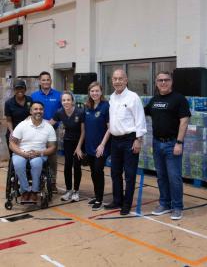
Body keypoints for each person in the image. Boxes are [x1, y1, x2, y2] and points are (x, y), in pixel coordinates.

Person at [145, 71, 191, 220]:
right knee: (161, 177)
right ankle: (164, 204)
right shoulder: (154, 100)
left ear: (171, 82)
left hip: (172, 144)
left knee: (174, 177)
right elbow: (141, 113)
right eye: (160, 80)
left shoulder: (179, 99)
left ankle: (177, 207)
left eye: (166, 80)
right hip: (157, 143)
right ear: (156, 83)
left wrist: (179, 142)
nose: (163, 83)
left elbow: (184, 121)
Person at [105, 69, 147, 216]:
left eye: (120, 78)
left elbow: (140, 120)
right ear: (112, 81)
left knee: (129, 175)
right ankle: (117, 200)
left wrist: (138, 140)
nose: (117, 81)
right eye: (115, 79)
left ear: (126, 80)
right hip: (115, 141)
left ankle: (127, 204)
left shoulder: (133, 97)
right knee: (115, 173)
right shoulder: (111, 97)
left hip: (130, 140)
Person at [9, 101, 57, 203]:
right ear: (31, 111)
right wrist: (23, 153)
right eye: (35, 109)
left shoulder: (48, 127)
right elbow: (12, 144)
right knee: (18, 163)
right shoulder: (22, 125)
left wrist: (39, 153)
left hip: (39, 153)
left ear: (43, 111)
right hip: (22, 152)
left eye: (40, 109)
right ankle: (25, 190)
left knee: (36, 163)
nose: (38, 111)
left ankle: (35, 191)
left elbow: (52, 147)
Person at [50, 91, 85, 202]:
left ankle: (76, 191)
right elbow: (49, 123)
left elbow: (83, 132)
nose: (66, 102)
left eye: (68, 100)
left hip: (79, 142)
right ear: (61, 102)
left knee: (77, 166)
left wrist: (79, 147)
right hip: (67, 142)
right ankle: (68, 190)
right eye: (64, 100)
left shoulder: (80, 112)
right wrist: (32, 121)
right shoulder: (60, 112)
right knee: (67, 166)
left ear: (72, 101)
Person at [31, 71, 61, 193]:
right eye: (43, 80)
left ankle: (52, 183)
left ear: (51, 81)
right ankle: (38, 181)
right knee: (38, 155)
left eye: (48, 79)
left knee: (52, 157)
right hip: (37, 130)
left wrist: (53, 122)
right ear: (40, 81)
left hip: (53, 130)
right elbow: (31, 112)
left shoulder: (58, 95)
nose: (46, 82)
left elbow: (62, 112)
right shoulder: (34, 96)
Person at [84, 82, 110, 211]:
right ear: (89, 92)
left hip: (101, 147)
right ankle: (97, 195)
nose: (94, 93)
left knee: (98, 171)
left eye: (97, 91)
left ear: (101, 92)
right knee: (93, 172)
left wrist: (102, 145)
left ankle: (100, 199)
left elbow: (109, 128)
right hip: (89, 146)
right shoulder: (87, 106)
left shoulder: (106, 106)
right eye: (92, 91)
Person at [5, 79, 32, 156]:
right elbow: (8, 120)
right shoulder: (9, 103)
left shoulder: (29, 100)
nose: (19, 90)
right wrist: (12, 132)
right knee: (14, 155)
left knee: (26, 154)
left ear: (25, 89)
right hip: (13, 132)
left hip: (27, 132)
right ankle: (12, 167)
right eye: (17, 88)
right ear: (14, 90)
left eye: (21, 88)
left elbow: (32, 113)